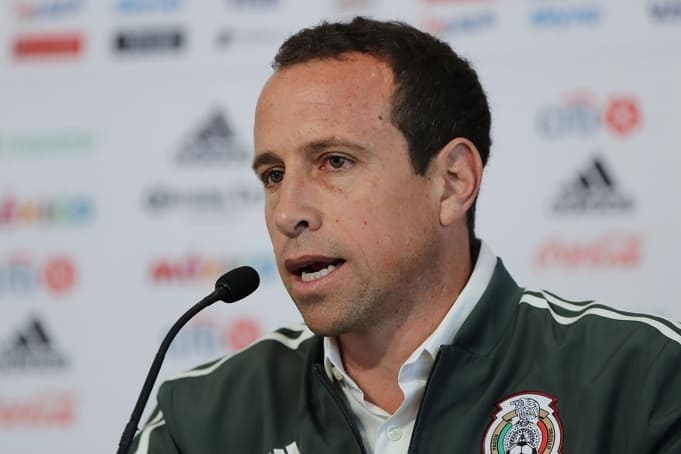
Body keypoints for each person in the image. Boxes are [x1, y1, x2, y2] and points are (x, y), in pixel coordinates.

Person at [128, 17, 681, 453]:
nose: (287, 212)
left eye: (335, 161)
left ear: (452, 183)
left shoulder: (644, 384)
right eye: (273, 175)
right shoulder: (199, 419)